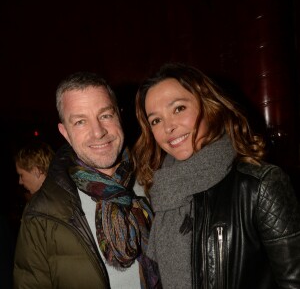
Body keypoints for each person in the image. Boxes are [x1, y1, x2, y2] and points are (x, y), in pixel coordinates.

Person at [132, 62, 300, 289]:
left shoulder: (260, 185)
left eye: (179, 109)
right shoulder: (162, 191)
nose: (168, 127)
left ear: (209, 106)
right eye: (156, 120)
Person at [13, 72, 161, 289]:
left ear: (119, 116)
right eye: (81, 122)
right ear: (65, 132)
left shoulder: (156, 180)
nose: (98, 132)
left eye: (105, 115)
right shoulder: (42, 215)